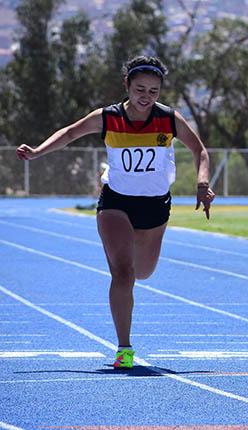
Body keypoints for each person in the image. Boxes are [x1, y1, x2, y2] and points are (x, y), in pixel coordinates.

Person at [16, 55, 215, 367]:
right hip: (116, 202)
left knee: (144, 272)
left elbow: (199, 150)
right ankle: (124, 348)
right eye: (139, 89)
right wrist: (39, 151)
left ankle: (133, 269)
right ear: (126, 85)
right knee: (124, 273)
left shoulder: (169, 119)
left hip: (155, 205)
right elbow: (69, 133)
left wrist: (202, 183)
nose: (146, 96)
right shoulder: (107, 118)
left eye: (153, 91)